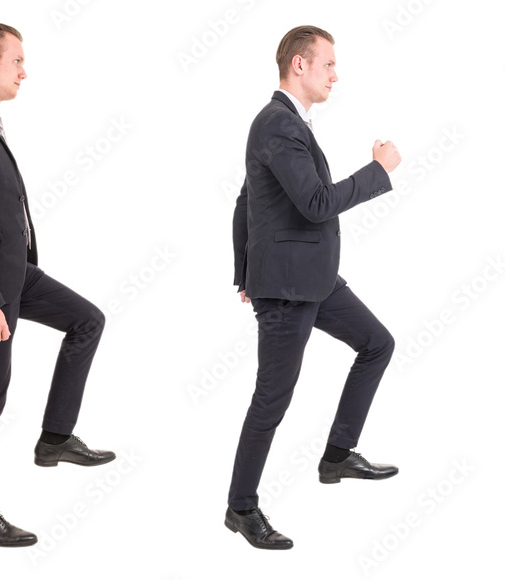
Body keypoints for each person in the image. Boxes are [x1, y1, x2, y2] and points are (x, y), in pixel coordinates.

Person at [0, 23, 114, 548]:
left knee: (87, 320)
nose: (24, 72)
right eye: (17, 61)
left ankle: (54, 437)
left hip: (14, 272)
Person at [227, 25, 402, 550]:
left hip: (315, 278)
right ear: (298, 66)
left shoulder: (288, 124)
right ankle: (240, 508)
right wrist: (379, 170)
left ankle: (337, 455)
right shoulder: (277, 125)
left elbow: (245, 201)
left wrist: (242, 270)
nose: (335, 74)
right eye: (327, 64)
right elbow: (318, 204)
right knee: (271, 400)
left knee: (377, 343)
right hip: (286, 288)